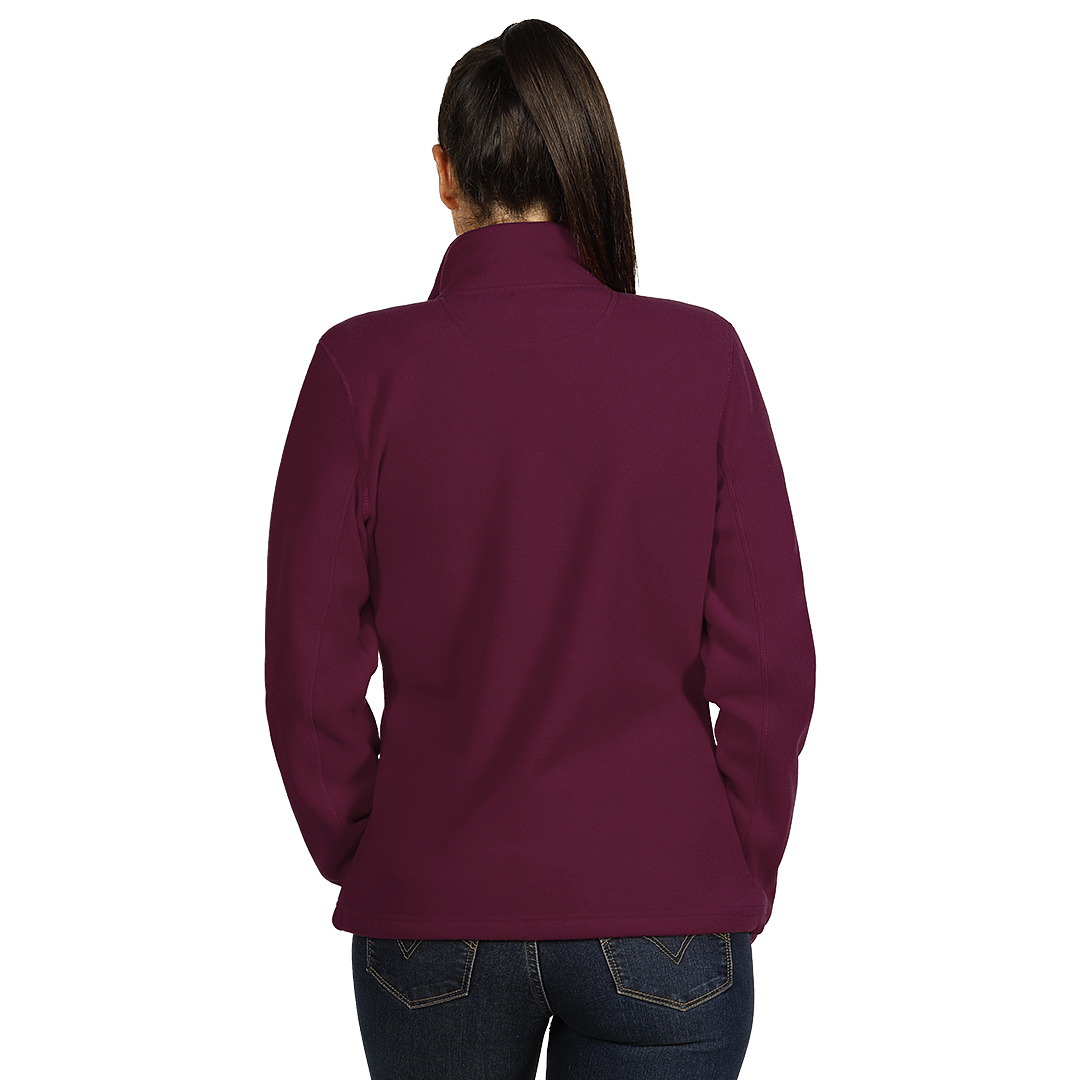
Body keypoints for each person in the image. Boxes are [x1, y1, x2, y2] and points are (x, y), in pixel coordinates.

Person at [264, 18, 815, 1080]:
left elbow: (307, 672)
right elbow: (772, 667)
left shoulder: (360, 369)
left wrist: (376, 851)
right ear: (583, 163)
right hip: (666, 906)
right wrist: (727, 866)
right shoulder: (701, 358)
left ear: (444, 173)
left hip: (435, 909)